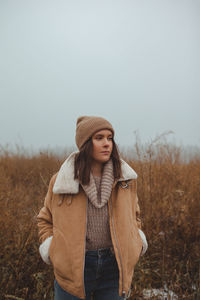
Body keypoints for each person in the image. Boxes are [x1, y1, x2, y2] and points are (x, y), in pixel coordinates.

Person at [37, 116, 148, 300]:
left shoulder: (125, 180)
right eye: (99, 138)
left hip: (114, 266)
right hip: (73, 268)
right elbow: (45, 219)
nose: (107, 144)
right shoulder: (62, 180)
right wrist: (53, 249)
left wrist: (137, 240)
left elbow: (135, 215)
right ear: (86, 143)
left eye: (110, 138)